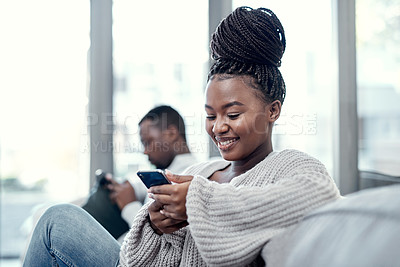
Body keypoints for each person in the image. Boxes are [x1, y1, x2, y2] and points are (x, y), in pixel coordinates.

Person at [23, 6, 341, 267]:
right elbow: (133, 260)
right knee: (55, 217)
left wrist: (197, 202)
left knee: (56, 220)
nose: (218, 127)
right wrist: (155, 225)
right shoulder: (196, 172)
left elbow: (321, 198)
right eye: (209, 115)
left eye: (232, 114)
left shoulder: (291, 166)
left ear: (273, 111)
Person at [104, 105, 198, 241]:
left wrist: (129, 206)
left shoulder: (186, 177)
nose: (145, 151)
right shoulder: (165, 171)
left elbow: (161, 238)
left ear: (172, 133)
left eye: (148, 142)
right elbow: (137, 185)